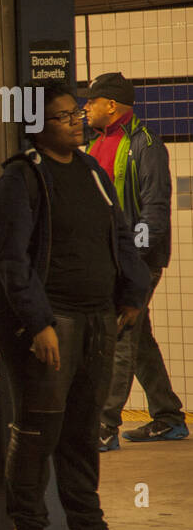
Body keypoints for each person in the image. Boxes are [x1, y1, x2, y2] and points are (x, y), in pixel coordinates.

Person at [0, 80, 147, 530]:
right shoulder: (21, 178)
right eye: (62, 116)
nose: (76, 121)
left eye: (75, 112)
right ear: (36, 126)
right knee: (37, 432)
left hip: (99, 317)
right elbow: (9, 257)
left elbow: (119, 232)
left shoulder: (90, 170)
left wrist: (133, 293)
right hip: (52, 323)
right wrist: (38, 322)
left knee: (81, 432)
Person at [83, 72, 186, 451]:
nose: (85, 108)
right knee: (137, 335)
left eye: (91, 101)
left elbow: (155, 212)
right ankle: (169, 417)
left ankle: (104, 426)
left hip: (137, 261)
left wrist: (134, 262)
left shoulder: (145, 145)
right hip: (110, 259)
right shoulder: (96, 144)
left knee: (121, 335)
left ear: (111, 105)